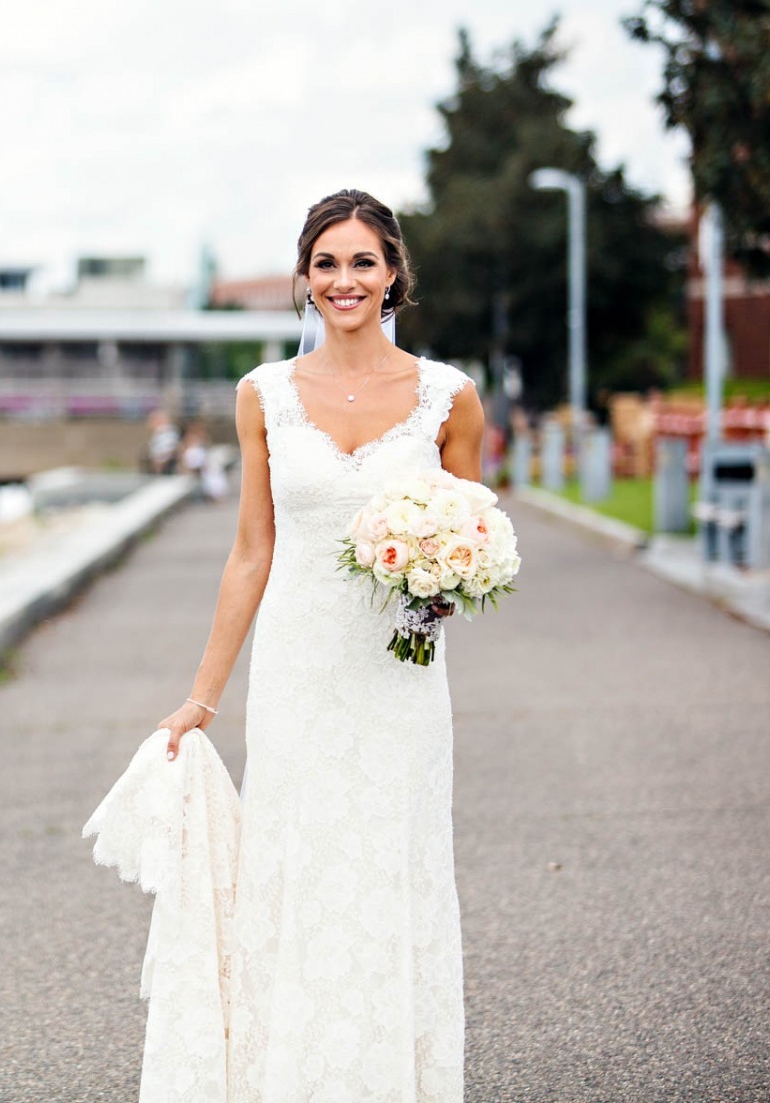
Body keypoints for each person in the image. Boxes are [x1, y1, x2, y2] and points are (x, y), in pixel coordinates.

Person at [156, 189, 484, 1101]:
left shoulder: (449, 398)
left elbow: (475, 532)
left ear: (394, 277)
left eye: (363, 262)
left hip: (399, 678)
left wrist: (440, 584)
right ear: (305, 278)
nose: (345, 280)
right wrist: (203, 696)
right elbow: (252, 552)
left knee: (389, 873)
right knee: (299, 875)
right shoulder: (261, 395)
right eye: (327, 263)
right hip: (299, 676)